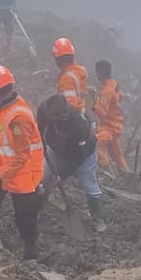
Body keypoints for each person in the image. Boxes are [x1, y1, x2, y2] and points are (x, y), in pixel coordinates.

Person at [0, 65, 45, 259]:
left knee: (24, 217)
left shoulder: (19, 118)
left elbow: (22, 155)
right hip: (0, 163)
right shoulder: (1, 104)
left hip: (22, 171)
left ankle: (31, 253)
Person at [37, 93, 106, 232]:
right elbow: (39, 132)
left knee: (88, 184)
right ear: (49, 113)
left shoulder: (78, 124)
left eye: (65, 113)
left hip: (84, 153)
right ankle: (40, 212)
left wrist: (62, 175)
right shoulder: (43, 110)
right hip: (56, 147)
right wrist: (42, 151)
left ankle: (98, 217)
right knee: (45, 178)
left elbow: (76, 157)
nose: (64, 116)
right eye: (58, 115)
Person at [91, 59, 129, 173]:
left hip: (109, 127)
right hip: (116, 124)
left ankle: (106, 170)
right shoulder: (113, 84)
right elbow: (118, 96)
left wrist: (93, 102)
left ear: (98, 74)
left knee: (96, 144)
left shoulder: (106, 91)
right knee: (117, 154)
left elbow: (102, 112)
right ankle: (126, 174)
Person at [53, 38, 88, 114]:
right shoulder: (79, 71)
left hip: (74, 121)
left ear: (57, 59)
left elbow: (69, 107)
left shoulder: (67, 79)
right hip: (83, 116)